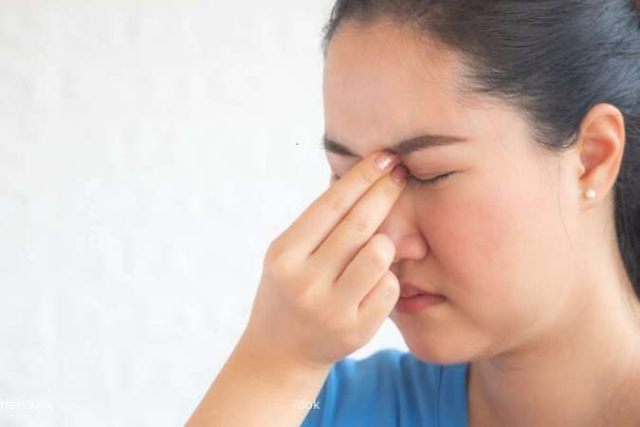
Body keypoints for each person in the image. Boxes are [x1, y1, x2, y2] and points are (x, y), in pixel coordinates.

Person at [186, 1, 640, 426]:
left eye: (428, 174)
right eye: (346, 176)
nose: (380, 242)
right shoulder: (313, 404)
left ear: (592, 158)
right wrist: (274, 365)